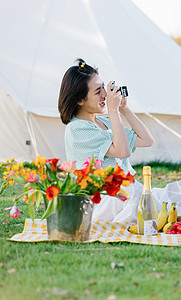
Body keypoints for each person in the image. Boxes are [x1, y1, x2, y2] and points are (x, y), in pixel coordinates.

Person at [58, 59, 155, 223]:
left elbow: (147, 140)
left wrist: (124, 109)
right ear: (80, 100)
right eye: (98, 91)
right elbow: (123, 152)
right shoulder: (77, 129)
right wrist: (112, 110)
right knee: (140, 194)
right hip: (99, 199)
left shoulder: (106, 122)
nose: (105, 94)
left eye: (104, 87)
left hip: (121, 192)